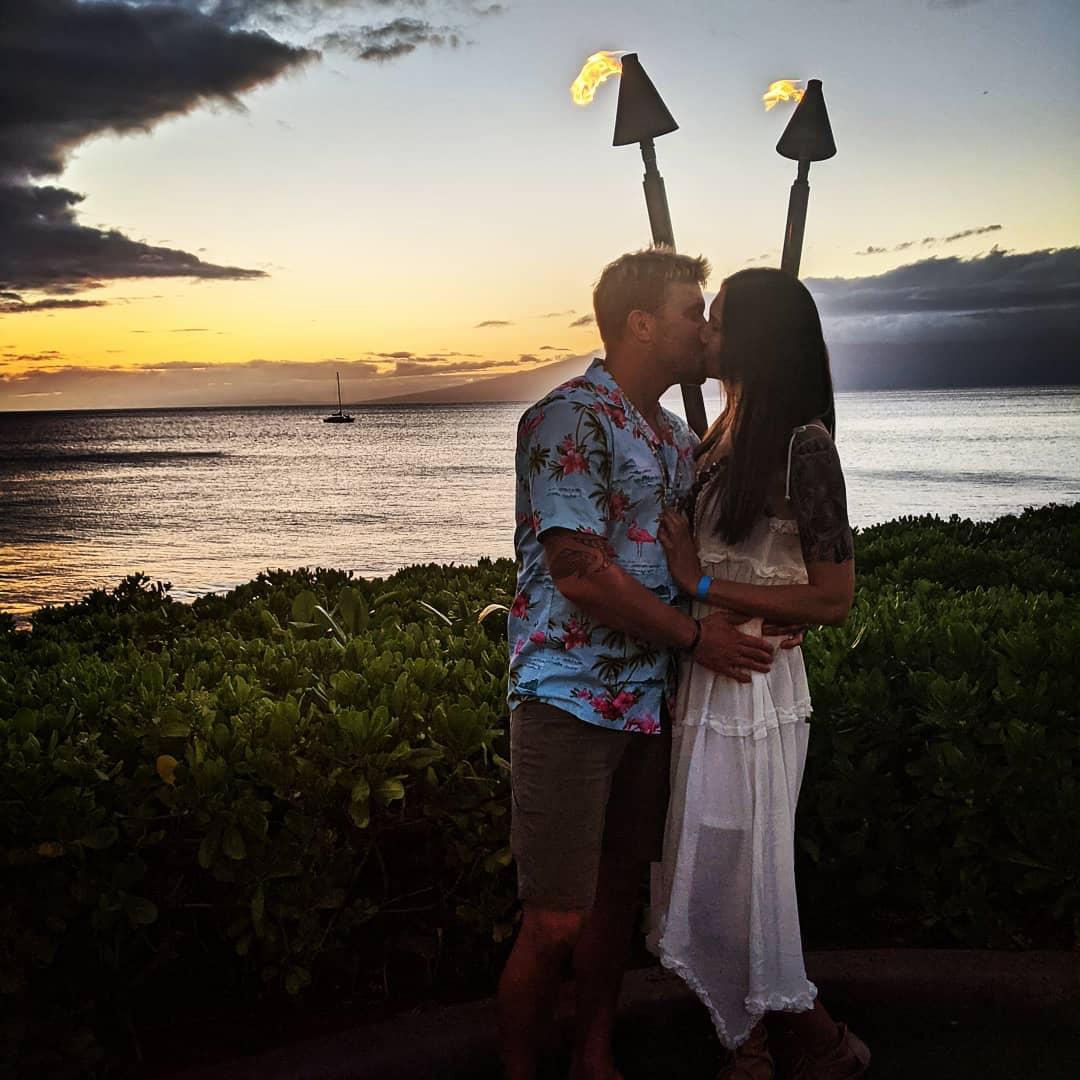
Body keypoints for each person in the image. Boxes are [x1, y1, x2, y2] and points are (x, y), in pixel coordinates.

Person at [499, 248, 778, 1080]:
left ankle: (595, 1063)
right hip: (568, 701)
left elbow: (696, 559)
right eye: (693, 311)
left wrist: (764, 610)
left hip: (651, 704)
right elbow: (578, 568)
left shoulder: (674, 436)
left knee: (618, 905)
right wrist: (697, 639)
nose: (705, 326)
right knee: (555, 919)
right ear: (641, 322)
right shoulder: (567, 418)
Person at [649, 267, 869, 1079]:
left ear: (752, 339)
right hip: (715, 673)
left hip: (757, 684)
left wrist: (698, 584)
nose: (704, 332)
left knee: (743, 862)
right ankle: (787, 1039)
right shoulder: (722, 435)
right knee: (716, 859)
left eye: (718, 321)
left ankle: (777, 1042)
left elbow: (834, 596)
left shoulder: (803, 445)